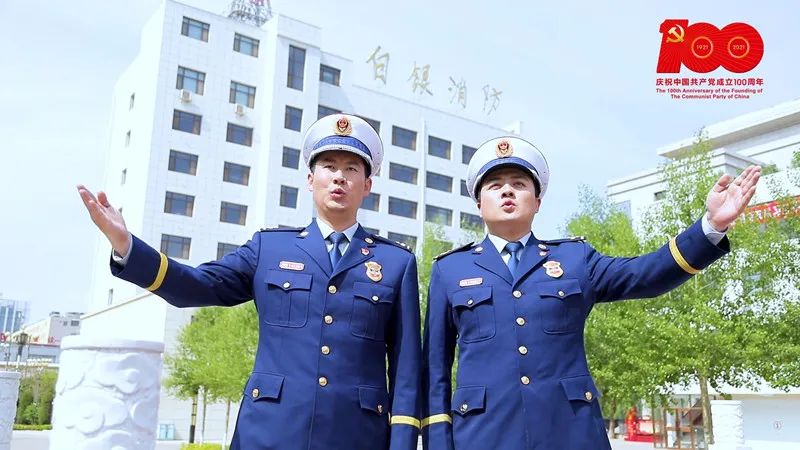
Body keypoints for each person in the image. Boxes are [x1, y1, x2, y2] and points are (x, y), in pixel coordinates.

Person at [78, 114, 421, 450]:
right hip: (269, 432)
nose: (339, 178)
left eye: (351, 169)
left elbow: (406, 371)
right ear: (310, 179)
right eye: (329, 167)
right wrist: (127, 247)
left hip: (357, 436)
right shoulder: (269, 249)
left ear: (367, 185)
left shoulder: (395, 263)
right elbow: (196, 284)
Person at [420, 136, 760, 450]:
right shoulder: (450, 270)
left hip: (571, 433)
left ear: (537, 202)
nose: (507, 191)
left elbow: (645, 275)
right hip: (482, 436)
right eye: (495, 186)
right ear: (479, 203)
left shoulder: (574, 259)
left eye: (519, 184)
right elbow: (435, 370)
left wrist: (711, 226)